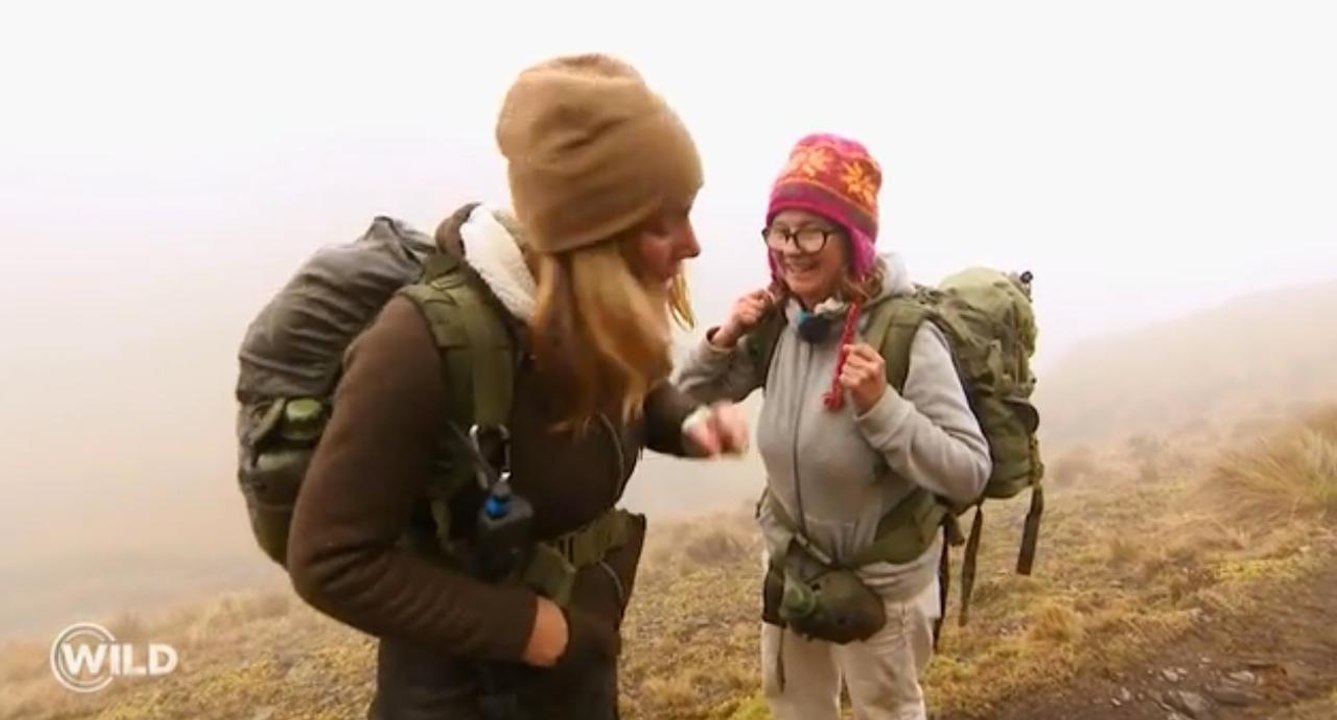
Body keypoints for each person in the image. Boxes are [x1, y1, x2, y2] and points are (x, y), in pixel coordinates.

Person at [285, 54, 748, 720]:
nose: (693, 244)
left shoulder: (589, 316)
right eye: (661, 223)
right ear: (593, 230)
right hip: (460, 699)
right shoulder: (420, 344)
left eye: (688, 213)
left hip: (574, 676)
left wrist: (686, 424)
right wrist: (534, 631)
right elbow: (331, 561)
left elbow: (639, 390)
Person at [674, 133, 992, 720]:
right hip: (794, 565)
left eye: (810, 232)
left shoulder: (906, 333)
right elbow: (682, 399)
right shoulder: (779, 324)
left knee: (886, 711)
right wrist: (724, 338)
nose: (791, 249)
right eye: (779, 231)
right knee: (796, 709)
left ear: (852, 240)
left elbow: (969, 471)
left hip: (883, 583)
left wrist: (883, 408)